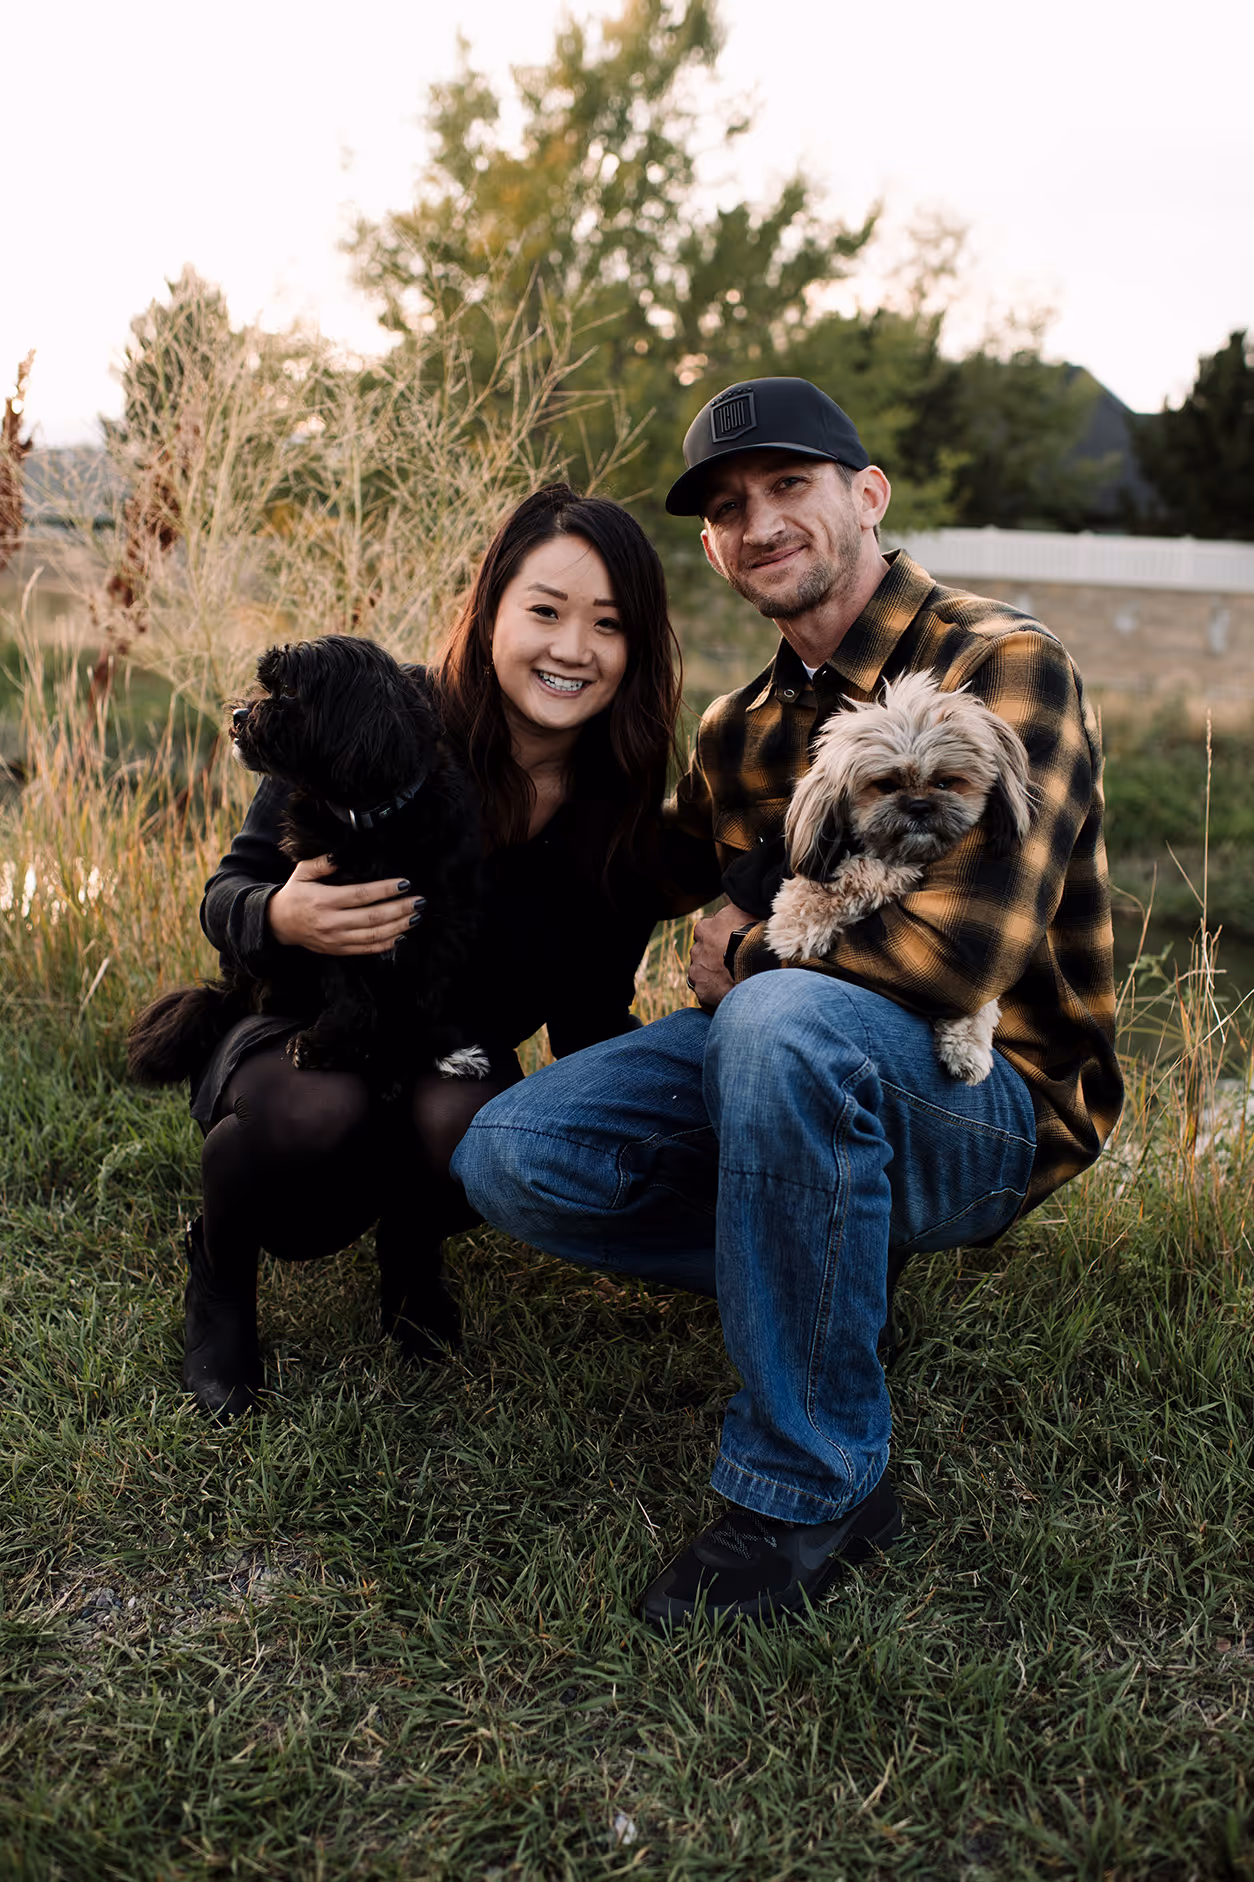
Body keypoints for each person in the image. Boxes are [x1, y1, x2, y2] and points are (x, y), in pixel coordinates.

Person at [452, 378, 1125, 1628]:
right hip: (805, 1052)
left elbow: (957, 960)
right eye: (725, 507)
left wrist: (753, 955)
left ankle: (815, 1483)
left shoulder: (1003, 665)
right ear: (711, 549)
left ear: (866, 495)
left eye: (786, 487)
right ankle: (824, 1254)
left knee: (769, 1019)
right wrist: (498, 782)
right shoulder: (741, 726)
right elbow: (635, 873)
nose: (756, 521)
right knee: (513, 1152)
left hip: (991, 1096)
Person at [181, 484, 685, 1419]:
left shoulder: (618, 805)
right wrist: (284, 919)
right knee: (313, 1127)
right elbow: (227, 897)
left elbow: (588, 1017)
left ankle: (411, 1259)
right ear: (490, 608)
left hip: (451, 1048)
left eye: (608, 625)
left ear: (637, 646)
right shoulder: (377, 717)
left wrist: (672, 1102)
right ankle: (218, 1273)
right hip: (305, 1023)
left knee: (472, 1127)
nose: (573, 649)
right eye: (545, 610)